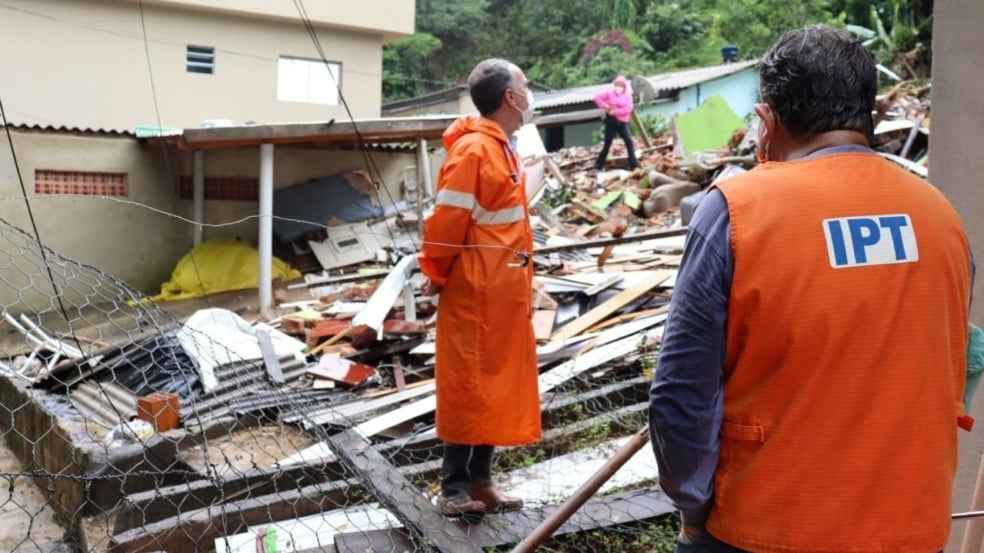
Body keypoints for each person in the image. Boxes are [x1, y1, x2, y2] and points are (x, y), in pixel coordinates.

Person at [649, 25, 973, 553]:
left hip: (768, 528)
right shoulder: (940, 217)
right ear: (872, 115)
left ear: (767, 121)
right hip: (913, 529)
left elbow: (681, 394)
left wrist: (693, 510)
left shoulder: (737, 211)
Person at [418, 58, 541, 517]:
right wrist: (435, 271)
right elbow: (446, 223)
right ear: (511, 98)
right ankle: (453, 490)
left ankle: (482, 481)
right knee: (468, 386)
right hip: (475, 294)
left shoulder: (502, 148)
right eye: (525, 87)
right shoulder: (474, 151)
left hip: (503, 293)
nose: (529, 94)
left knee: (495, 385)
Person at [593, 75, 640, 171]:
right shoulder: (609, 93)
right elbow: (597, 98)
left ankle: (634, 165)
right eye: (617, 85)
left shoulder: (628, 96)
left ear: (624, 87)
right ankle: (598, 165)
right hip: (611, 121)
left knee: (629, 142)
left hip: (622, 122)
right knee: (607, 143)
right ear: (614, 85)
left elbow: (628, 109)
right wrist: (606, 106)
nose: (618, 87)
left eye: (621, 85)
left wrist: (616, 112)